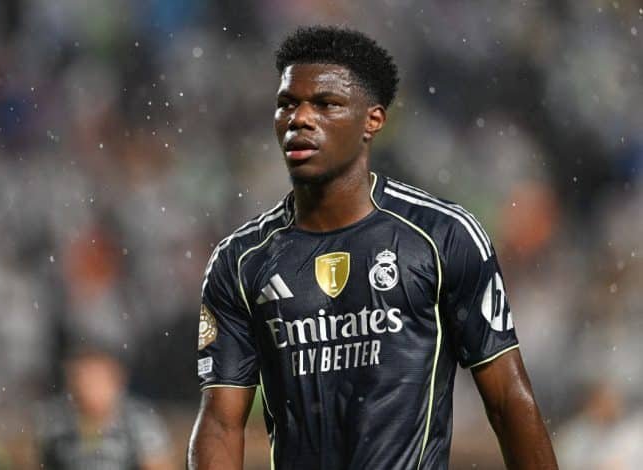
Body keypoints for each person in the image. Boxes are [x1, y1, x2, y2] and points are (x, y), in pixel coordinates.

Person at [187, 26, 558, 469]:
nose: (299, 118)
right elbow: (221, 422)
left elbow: (507, 399)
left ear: (373, 120)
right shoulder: (241, 261)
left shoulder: (442, 236)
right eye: (287, 103)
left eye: (325, 104)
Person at [37, 345, 172, 470]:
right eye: (79, 379)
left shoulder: (139, 420)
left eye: (95, 380)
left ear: (116, 382)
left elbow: (159, 464)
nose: (85, 388)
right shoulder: (54, 421)